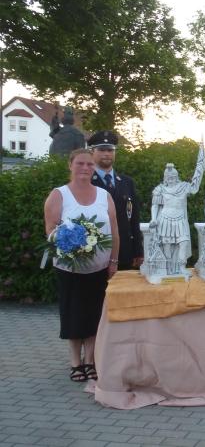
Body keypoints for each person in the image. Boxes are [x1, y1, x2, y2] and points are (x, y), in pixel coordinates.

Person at [43, 149, 120, 382]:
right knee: (73, 313)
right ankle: (75, 361)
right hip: (70, 268)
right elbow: (50, 230)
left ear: (94, 167)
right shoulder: (59, 195)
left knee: (94, 314)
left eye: (89, 164)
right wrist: (71, 244)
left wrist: (114, 260)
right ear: (70, 165)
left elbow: (114, 231)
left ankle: (91, 360)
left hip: (99, 267)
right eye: (80, 163)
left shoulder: (104, 195)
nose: (85, 168)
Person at [89, 130, 143, 270]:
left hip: (125, 252)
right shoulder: (86, 182)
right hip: (95, 252)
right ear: (92, 152)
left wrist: (138, 250)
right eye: (101, 150)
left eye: (110, 150)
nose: (107, 153)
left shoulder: (126, 182)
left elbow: (133, 219)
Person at [149, 147, 205, 276]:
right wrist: (153, 218)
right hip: (165, 219)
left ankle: (181, 266)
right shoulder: (160, 189)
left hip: (180, 218)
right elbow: (155, 206)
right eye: (168, 177)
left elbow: (194, 188)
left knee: (184, 242)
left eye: (173, 176)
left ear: (177, 176)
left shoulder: (184, 187)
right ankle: (168, 268)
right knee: (167, 245)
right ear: (165, 177)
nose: (171, 179)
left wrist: (200, 169)